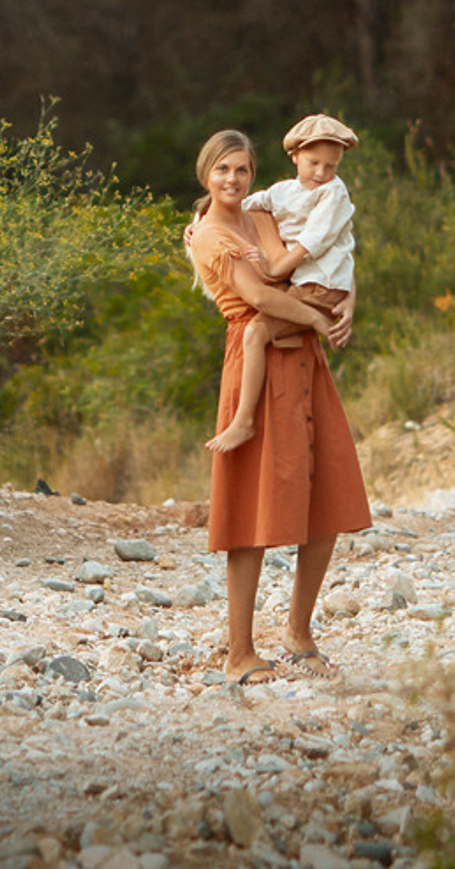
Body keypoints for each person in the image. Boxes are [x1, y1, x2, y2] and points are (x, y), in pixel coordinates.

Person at [186, 129, 372, 683]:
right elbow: (264, 296)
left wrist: (346, 302)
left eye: (242, 170)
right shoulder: (209, 235)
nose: (234, 180)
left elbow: (327, 254)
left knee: (328, 494)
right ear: (206, 174)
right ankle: (238, 651)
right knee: (249, 507)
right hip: (257, 363)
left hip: (305, 361)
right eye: (223, 170)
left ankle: (299, 631)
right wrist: (318, 317)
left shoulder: (263, 214)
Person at [206, 113, 359, 455]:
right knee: (260, 333)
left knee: (256, 333)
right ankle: (248, 418)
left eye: (331, 166)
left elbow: (313, 241)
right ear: (295, 156)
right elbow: (244, 205)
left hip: (320, 284)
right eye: (313, 163)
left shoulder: (334, 194)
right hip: (306, 284)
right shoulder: (283, 191)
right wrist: (201, 218)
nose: (321, 174)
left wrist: (276, 269)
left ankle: (244, 420)